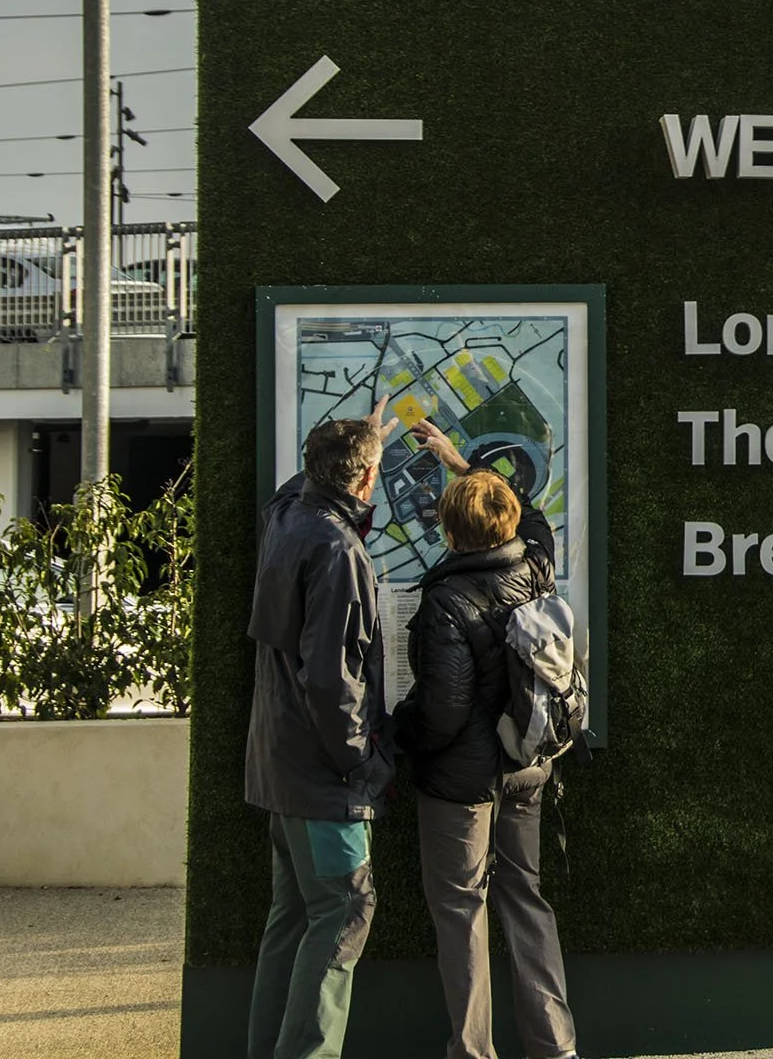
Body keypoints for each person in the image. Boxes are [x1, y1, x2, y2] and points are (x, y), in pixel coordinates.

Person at [395, 419, 580, 1059]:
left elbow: (443, 713)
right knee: (525, 898)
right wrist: (459, 462)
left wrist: (403, 737)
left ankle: (473, 1052)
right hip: (527, 765)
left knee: (459, 909)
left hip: (462, 783)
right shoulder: (535, 566)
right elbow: (529, 517)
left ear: (449, 533)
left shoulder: (447, 600)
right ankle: (555, 1047)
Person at [245, 405, 402, 1059]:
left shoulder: (288, 519)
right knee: (343, 913)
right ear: (365, 480)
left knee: (293, 921)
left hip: (280, 771)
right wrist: (359, 765)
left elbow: (295, 485)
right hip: (323, 783)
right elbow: (332, 681)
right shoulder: (338, 550)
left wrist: (357, 439)